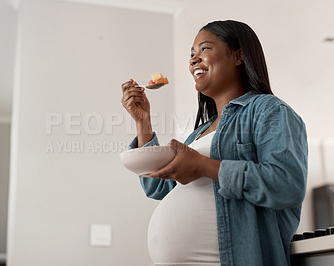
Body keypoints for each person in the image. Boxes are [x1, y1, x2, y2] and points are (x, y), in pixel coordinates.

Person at [121, 20, 308, 266]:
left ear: (238, 56)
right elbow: (157, 187)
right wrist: (142, 121)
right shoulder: (199, 133)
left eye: (204, 49)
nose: (193, 60)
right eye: (191, 54)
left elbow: (287, 184)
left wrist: (204, 166)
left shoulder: (269, 111)